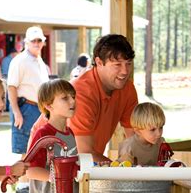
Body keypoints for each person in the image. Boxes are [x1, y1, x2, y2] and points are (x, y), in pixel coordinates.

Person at [31, 34, 138, 163]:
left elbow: (134, 137)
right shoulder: (81, 93)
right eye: (117, 65)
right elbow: (84, 153)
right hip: (47, 163)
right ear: (99, 62)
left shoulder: (127, 88)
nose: (125, 71)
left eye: (128, 63)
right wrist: (119, 169)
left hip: (78, 163)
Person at [26, 79, 77, 193]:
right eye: (65, 98)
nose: (72, 101)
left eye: (73, 96)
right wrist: (59, 179)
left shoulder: (70, 133)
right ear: (48, 105)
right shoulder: (44, 134)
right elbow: (31, 170)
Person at [7, 26, 49, 193]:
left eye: (40, 40)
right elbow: (11, 87)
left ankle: (27, 183)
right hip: (26, 107)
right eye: (34, 41)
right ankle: (22, 185)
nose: (37, 43)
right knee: (26, 147)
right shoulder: (20, 61)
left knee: (35, 147)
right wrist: (17, 112)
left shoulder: (38, 60)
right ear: (26, 42)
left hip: (39, 108)